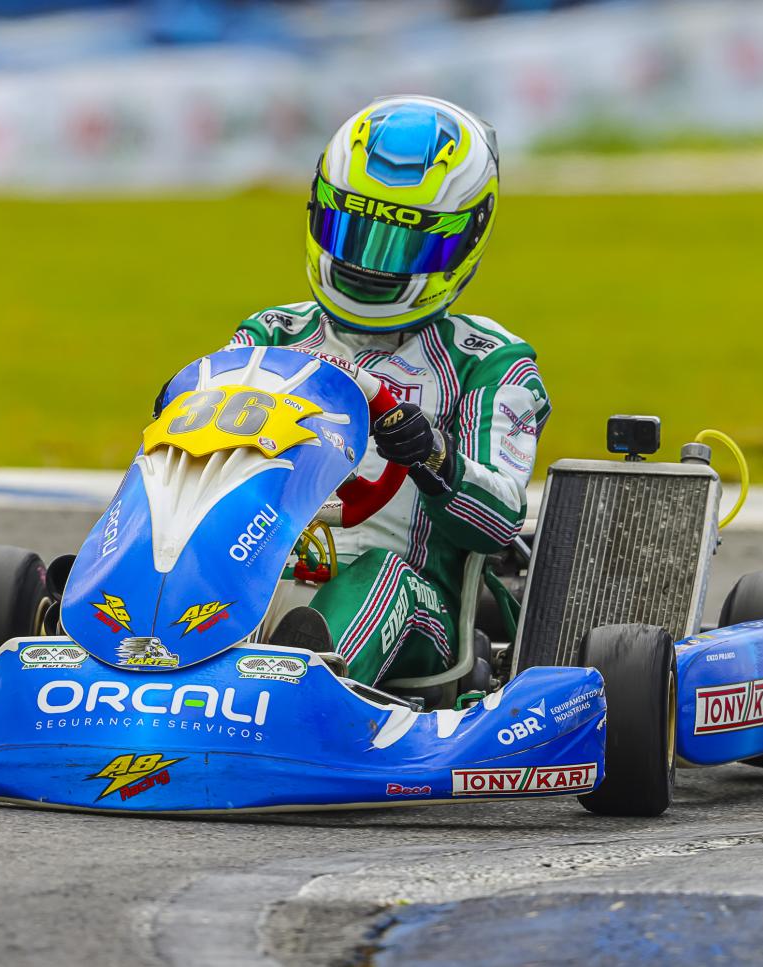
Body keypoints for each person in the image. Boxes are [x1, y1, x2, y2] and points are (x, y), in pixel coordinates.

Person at [232, 95, 550, 688]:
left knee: (378, 575)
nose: (370, 266)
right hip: (256, 569)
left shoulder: (489, 361)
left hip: (416, 607)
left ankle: (298, 682)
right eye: (355, 230)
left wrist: (430, 456)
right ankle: (119, 639)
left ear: (462, 240)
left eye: (402, 243)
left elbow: (501, 519)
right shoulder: (272, 333)